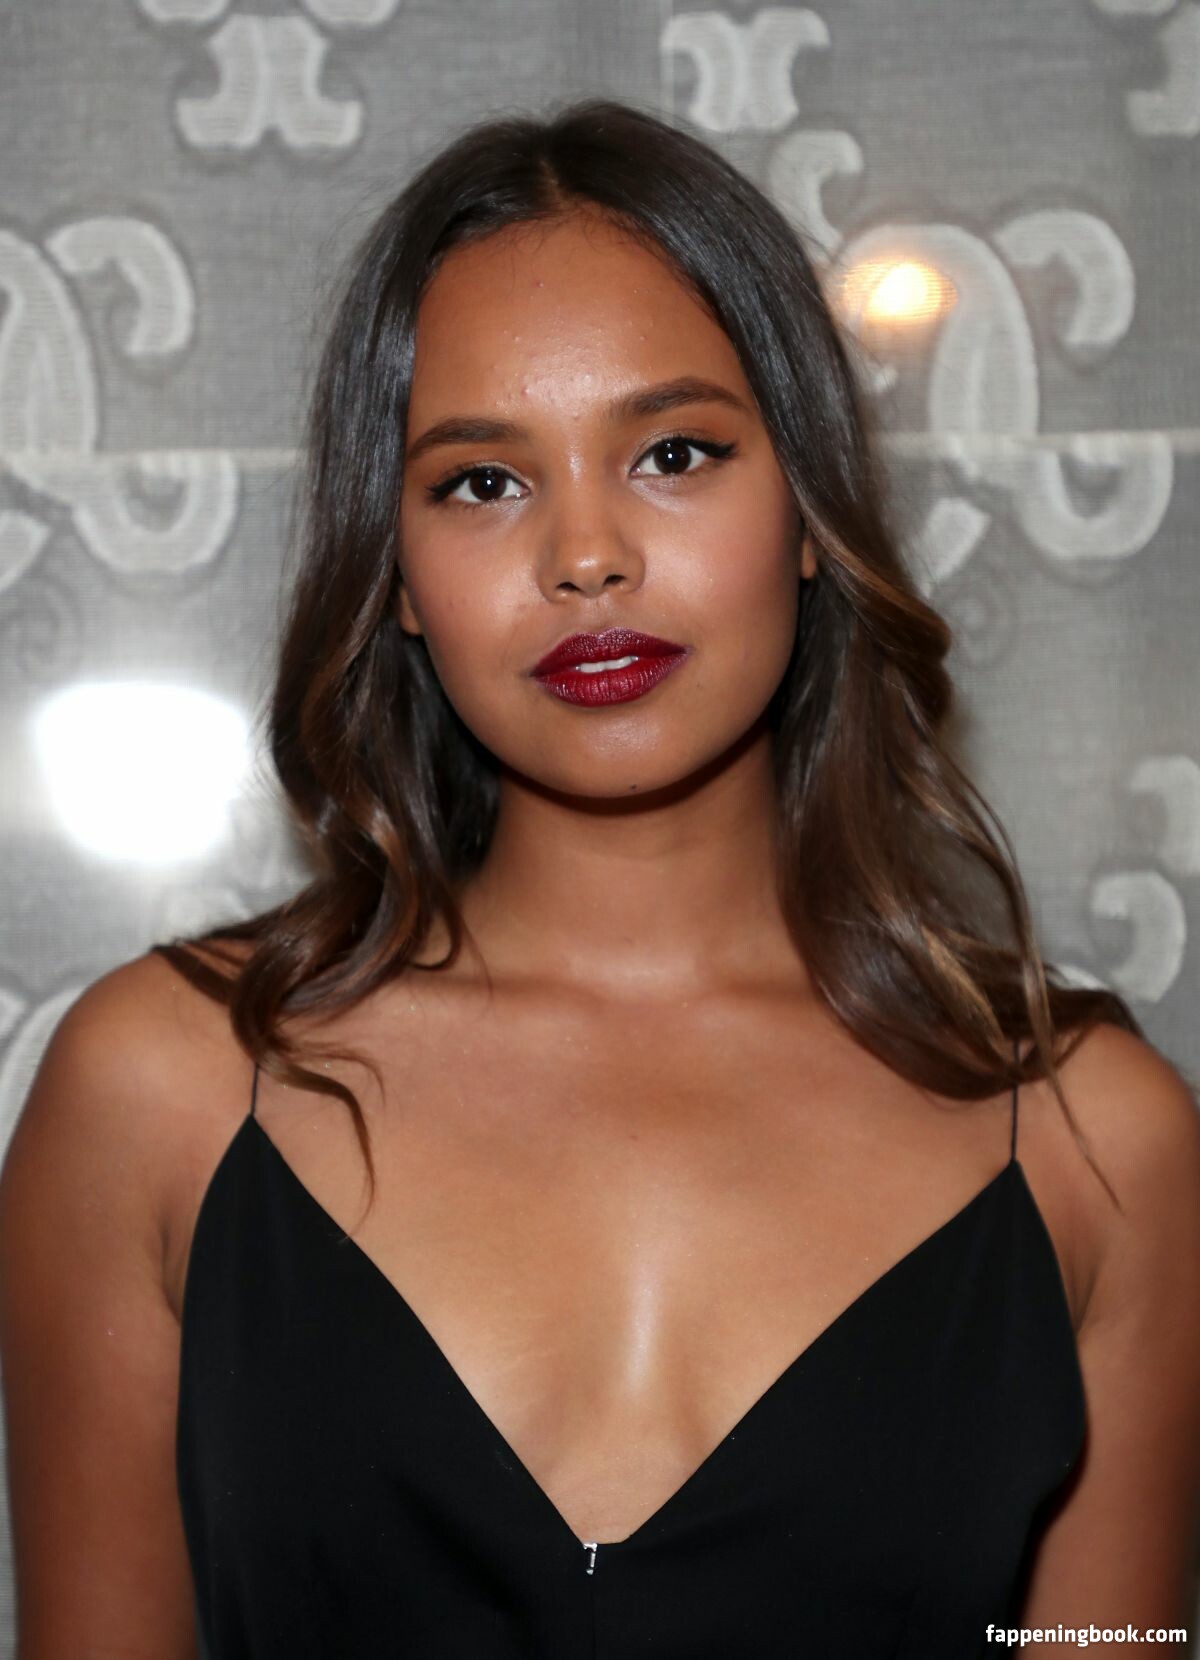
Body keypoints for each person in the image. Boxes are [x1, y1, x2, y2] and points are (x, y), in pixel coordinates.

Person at [2, 96, 1198, 1659]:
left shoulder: (1099, 1147)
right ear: (398, 576)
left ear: (810, 512)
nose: (586, 554)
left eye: (674, 453)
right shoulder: (160, 1093)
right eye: (481, 482)